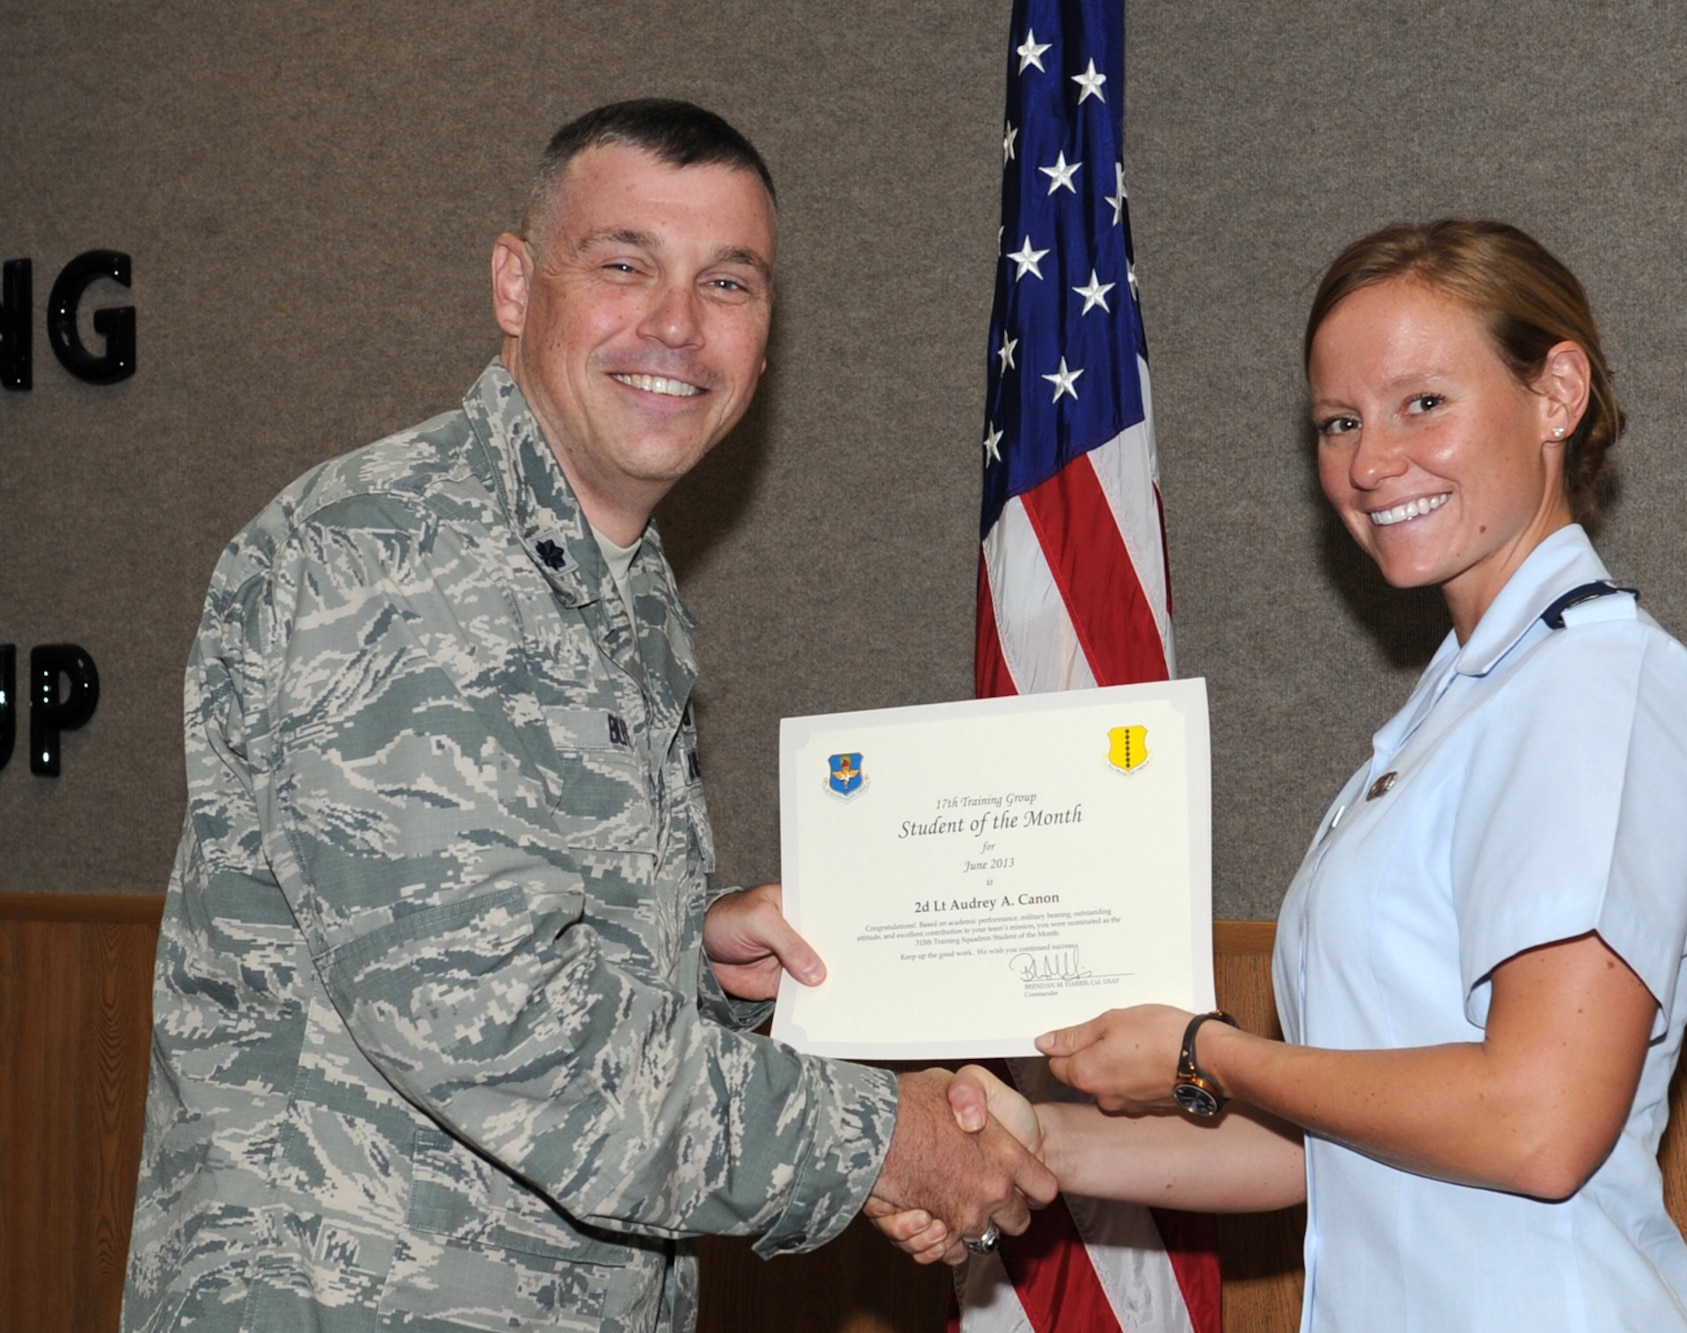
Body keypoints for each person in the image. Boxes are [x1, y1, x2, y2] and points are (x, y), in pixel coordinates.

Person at [121, 99, 1053, 1333]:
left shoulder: (608, 589)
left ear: (765, 340)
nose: (674, 325)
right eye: (623, 265)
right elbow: (488, 1024)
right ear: (516, 285)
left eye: (727, 283)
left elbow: (509, 952)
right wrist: (877, 1141)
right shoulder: (403, 556)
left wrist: (694, 960)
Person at [879, 219, 1687, 1331]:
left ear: (1554, 392)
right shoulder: (1460, 702)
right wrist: (1036, 1141)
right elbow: (1324, 1144)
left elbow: (1536, 1120)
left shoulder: (1595, 685)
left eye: (1422, 403)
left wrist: (1203, 1052)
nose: (1370, 463)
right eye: (1339, 421)